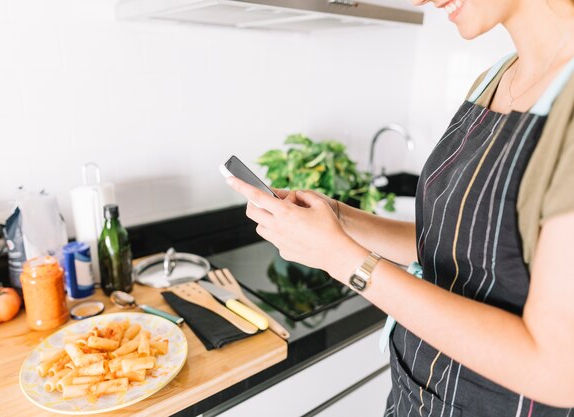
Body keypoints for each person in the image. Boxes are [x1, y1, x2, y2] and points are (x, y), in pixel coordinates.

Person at [226, 0, 574, 415]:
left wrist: (341, 258)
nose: (420, 0)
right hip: (415, 397)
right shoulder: (494, 79)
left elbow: (557, 370)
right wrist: (338, 217)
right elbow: (457, 244)